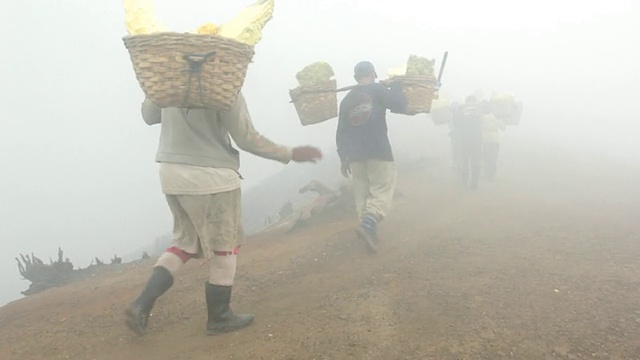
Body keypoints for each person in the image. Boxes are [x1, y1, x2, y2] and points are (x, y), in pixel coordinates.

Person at [125, 93, 323, 336]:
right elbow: (247, 138)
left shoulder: (168, 83)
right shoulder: (224, 85)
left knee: (184, 243)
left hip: (171, 174)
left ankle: (141, 305)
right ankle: (219, 317)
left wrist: (157, 92)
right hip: (212, 178)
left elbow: (149, 115)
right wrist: (289, 153)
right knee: (225, 246)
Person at [336, 60, 406, 253]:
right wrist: (397, 86)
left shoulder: (347, 100)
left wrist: (344, 158)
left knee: (363, 196)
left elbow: (341, 132)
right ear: (373, 74)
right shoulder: (377, 90)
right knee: (382, 191)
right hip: (378, 151)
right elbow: (400, 105)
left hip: (355, 156)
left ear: (355, 78)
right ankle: (368, 226)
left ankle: (369, 235)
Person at [452, 95, 489, 190]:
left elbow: (456, 123)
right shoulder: (480, 109)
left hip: (464, 138)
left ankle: (464, 182)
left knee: (464, 160)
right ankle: (474, 184)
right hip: (477, 139)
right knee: (476, 161)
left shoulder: (461, 109)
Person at [481, 112, 506, 180]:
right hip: (495, 140)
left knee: (485, 157)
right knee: (493, 157)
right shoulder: (496, 119)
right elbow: (503, 127)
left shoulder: (482, 119)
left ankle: (486, 173)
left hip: (485, 140)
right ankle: (492, 174)